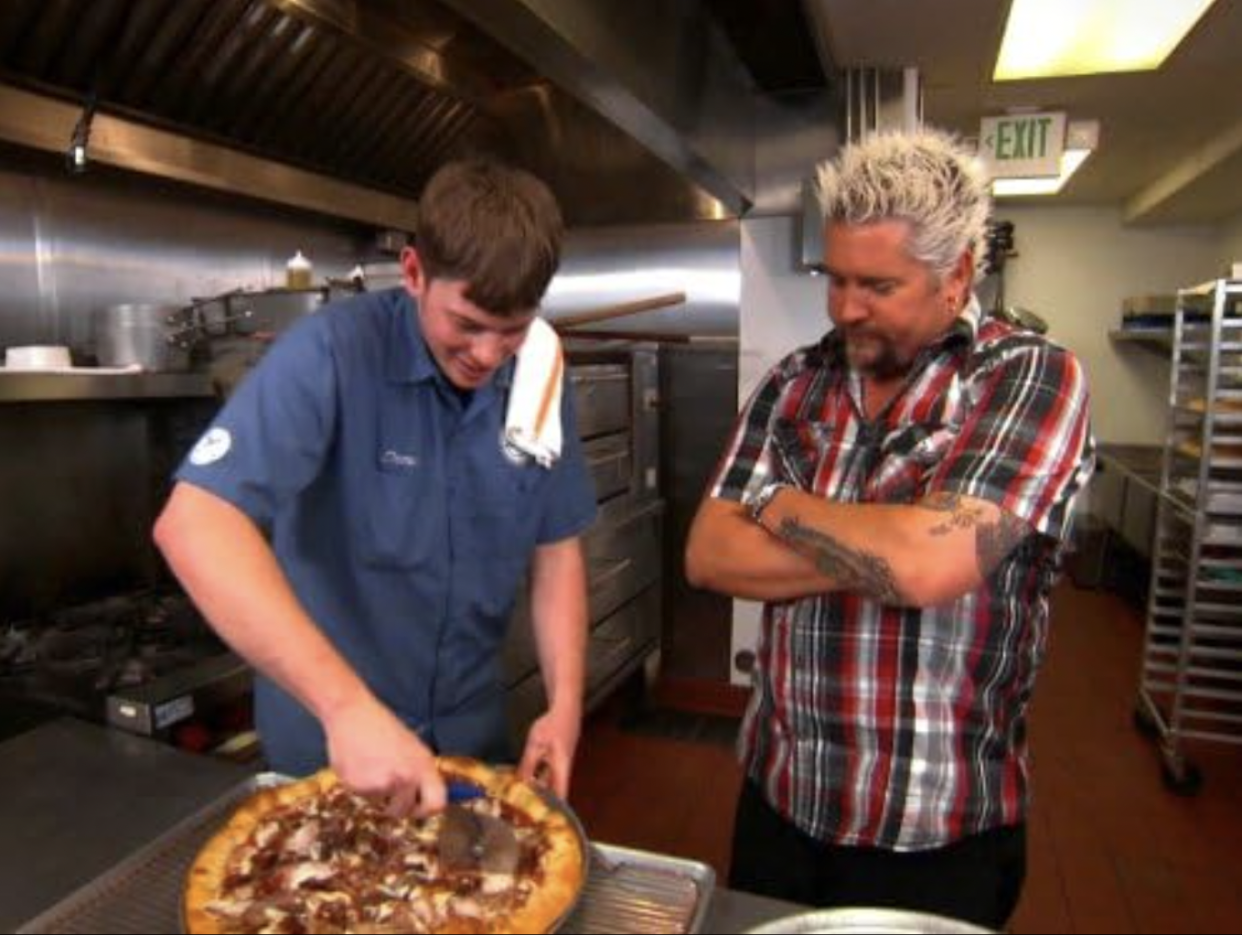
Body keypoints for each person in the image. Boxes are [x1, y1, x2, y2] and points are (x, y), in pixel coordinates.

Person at [685, 129, 1094, 929]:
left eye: (876, 283)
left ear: (958, 276)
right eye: (833, 277)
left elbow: (927, 569)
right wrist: (899, 539)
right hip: (780, 801)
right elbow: (707, 552)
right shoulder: (796, 381)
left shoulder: (1028, 377)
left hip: (936, 835)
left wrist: (779, 505)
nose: (843, 307)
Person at [154, 157, 596, 816]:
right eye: (467, 324)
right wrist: (346, 706)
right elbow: (192, 524)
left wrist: (564, 706)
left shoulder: (535, 371)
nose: (486, 354)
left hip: (471, 746)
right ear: (414, 272)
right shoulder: (330, 354)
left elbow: (555, 547)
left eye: (512, 330)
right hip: (333, 755)